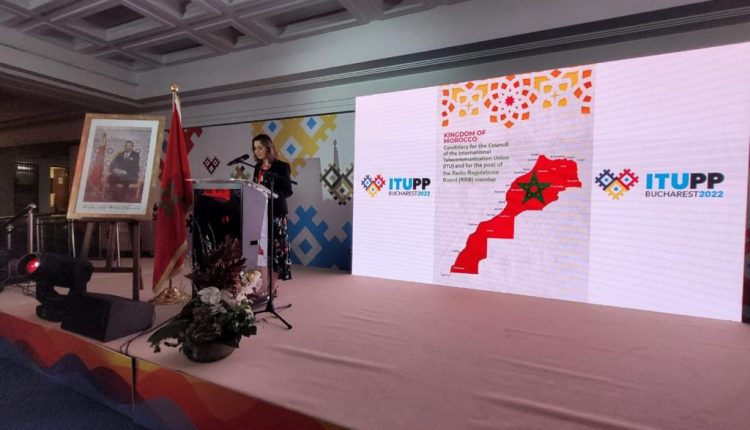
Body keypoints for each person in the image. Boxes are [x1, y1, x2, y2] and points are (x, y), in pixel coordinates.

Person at [252, 133, 293, 294]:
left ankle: (272, 286)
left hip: (276, 214)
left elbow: (288, 191)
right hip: (260, 214)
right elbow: (255, 187)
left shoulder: (282, 167)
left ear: (268, 148)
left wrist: (272, 193)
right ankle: (264, 284)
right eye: (255, 148)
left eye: (260, 148)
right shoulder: (257, 168)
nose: (257, 151)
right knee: (263, 251)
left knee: (275, 252)